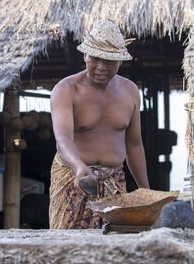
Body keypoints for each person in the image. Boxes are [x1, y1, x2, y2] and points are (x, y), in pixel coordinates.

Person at [49, 20, 150, 229]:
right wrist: (78, 166)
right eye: (95, 58)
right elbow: (63, 138)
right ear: (85, 56)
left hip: (114, 181)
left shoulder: (130, 91)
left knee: (114, 248)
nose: (101, 67)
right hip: (72, 178)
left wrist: (146, 192)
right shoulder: (66, 89)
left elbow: (134, 145)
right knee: (68, 248)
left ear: (120, 62)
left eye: (109, 61)